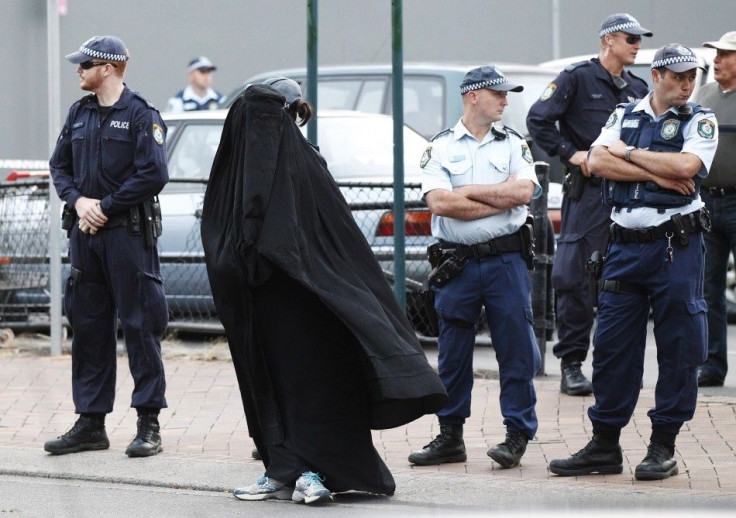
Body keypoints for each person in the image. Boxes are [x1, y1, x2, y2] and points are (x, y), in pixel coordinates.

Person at [200, 77, 447, 505]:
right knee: (266, 385)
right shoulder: (237, 169)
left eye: (267, 118)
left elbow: (330, 241)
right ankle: (282, 468)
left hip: (306, 304)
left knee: (309, 386)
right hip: (258, 304)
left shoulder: (305, 165)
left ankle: (313, 471)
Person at [549, 44, 718, 481]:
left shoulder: (699, 119)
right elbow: (595, 160)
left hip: (674, 247)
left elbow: (687, 166)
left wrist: (628, 154)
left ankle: (663, 444)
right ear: (658, 74)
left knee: (680, 346)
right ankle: (604, 445)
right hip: (623, 247)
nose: (686, 84)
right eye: (678, 76)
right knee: (611, 348)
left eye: (692, 77)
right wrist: (653, 170)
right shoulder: (624, 114)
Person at [407, 65, 542, 469]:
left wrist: (468, 190)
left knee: (516, 350)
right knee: (452, 353)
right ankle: (450, 436)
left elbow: (524, 192)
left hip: (506, 261)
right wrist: (495, 199)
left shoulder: (514, 143)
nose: (505, 100)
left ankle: (517, 433)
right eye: (498, 94)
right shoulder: (442, 146)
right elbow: (441, 203)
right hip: (458, 264)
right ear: (473, 96)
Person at [46, 35, 169, 457]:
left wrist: (107, 207)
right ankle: (91, 423)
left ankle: (148, 423)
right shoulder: (79, 113)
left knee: (140, 325)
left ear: (109, 68)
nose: (78, 70)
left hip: (127, 236)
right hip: (86, 233)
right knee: (89, 328)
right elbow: (58, 166)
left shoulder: (140, 114)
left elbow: (153, 173)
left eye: (85, 64)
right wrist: (80, 202)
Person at [526, 13, 652, 396]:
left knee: (626, 279)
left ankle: (614, 366)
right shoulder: (577, 78)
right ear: (609, 40)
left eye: (639, 40)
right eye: (631, 39)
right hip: (590, 193)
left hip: (629, 195)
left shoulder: (638, 87)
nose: (637, 46)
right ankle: (572, 364)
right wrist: (572, 154)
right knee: (577, 277)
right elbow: (538, 120)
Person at [693, 31, 736, 388]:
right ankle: (711, 366)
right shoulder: (704, 96)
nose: (717, 60)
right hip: (708, 200)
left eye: (726, 54)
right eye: (716, 54)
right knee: (708, 288)